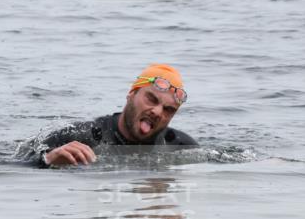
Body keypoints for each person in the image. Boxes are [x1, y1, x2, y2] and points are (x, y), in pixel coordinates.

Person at [27, 64, 198, 168]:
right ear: (131, 94)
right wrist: (48, 160)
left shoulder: (182, 146)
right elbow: (14, 164)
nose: (157, 111)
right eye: (151, 99)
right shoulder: (79, 136)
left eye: (168, 109)